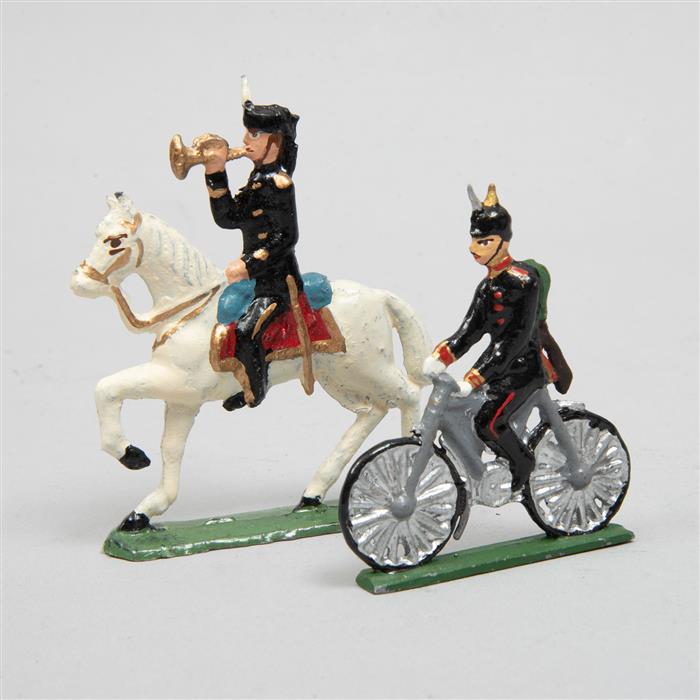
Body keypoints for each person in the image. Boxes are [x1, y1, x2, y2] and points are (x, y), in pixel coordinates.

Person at [423, 183, 571, 491]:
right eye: (474, 240)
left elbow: (515, 339)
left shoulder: (525, 281)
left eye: (484, 241)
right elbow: (470, 330)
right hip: (497, 368)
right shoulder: (487, 287)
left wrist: (475, 377)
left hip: (522, 368)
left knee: (487, 423)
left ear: (503, 242)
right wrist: (441, 356)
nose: (473, 248)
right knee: (463, 407)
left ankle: (522, 464)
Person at [197, 83, 303, 411]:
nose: (245, 141)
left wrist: (249, 263)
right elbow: (229, 217)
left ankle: (254, 391)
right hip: (255, 279)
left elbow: (286, 238)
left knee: (245, 331)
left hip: (276, 283)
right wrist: (216, 173)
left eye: (254, 134)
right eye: (247, 132)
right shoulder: (257, 181)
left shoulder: (279, 184)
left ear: (275, 141)